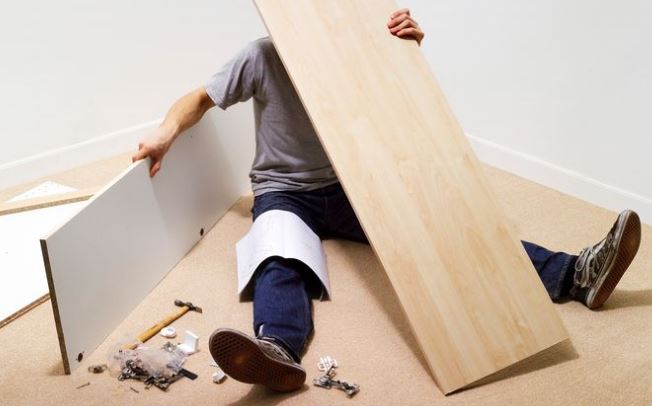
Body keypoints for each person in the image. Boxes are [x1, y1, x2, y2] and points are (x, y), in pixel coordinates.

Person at [133, 9, 641, 393]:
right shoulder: (261, 55)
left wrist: (406, 56)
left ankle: (576, 275)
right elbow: (199, 98)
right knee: (278, 254)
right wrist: (164, 133)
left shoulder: (362, 47)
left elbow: (400, 107)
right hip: (284, 190)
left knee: (442, 227)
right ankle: (277, 351)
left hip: (353, 181)